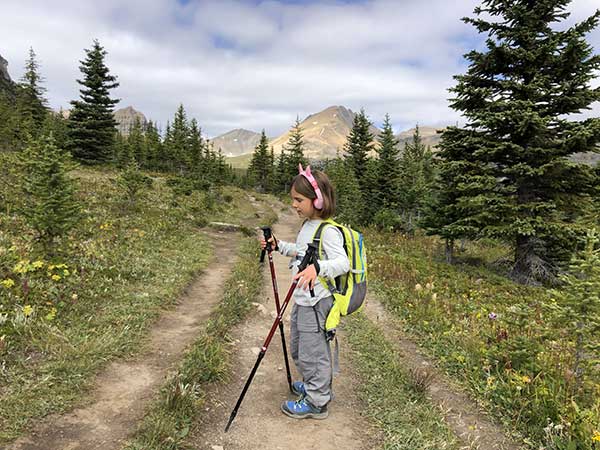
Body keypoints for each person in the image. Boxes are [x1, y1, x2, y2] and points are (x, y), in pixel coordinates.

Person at [260, 164, 350, 420]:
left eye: (299, 200)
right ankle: (314, 384)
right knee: (300, 348)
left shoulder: (328, 230)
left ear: (317, 200)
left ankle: (317, 401)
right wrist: (278, 246)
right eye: (293, 200)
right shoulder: (308, 225)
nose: (294, 205)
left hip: (317, 301)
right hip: (303, 299)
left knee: (314, 352)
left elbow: (343, 263)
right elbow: (302, 252)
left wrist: (318, 268)